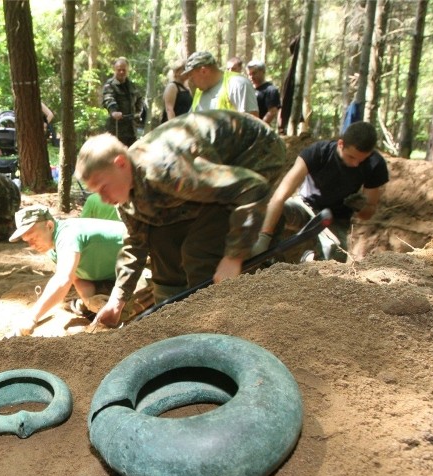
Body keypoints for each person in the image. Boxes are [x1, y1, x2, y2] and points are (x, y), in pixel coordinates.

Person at [75, 110, 286, 327]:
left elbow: (251, 187)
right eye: (96, 192)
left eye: (103, 188)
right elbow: (136, 243)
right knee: (161, 240)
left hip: (254, 153)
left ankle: (214, 325)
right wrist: (117, 299)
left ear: (120, 163)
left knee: (199, 251)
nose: (103, 198)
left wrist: (234, 257)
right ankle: (173, 320)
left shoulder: (165, 171)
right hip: (205, 179)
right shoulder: (125, 195)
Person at [254, 121, 389, 262]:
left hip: (335, 219)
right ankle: (267, 260)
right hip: (304, 206)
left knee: (335, 255)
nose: (356, 164)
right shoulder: (318, 152)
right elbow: (279, 196)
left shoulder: (375, 164)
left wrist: (361, 207)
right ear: (341, 144)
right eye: (351, 157)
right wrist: (263, 239)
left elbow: (367, 213)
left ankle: (310, 262)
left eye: (362, 160)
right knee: (273, 213)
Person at [6, 206, 152, 336]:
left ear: (49, 226)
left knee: (120, 312)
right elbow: (78, 276)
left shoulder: (68, 234)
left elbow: (64, 279)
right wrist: (89, 300)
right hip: (116, 275)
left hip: (145, 264)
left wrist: (32, 317)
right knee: (95, 306)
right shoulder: (52, 246)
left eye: (34, 238)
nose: (32, 245)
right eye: (27, 241)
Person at [184, 51, 259, 117]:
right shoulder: (199, 91)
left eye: (192, 77)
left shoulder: (237, 84)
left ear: (203, 71)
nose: (191, 82)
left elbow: (252, 124)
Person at [101, 57, 145, 146]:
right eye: (119, 70)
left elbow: (139, 99)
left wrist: (138, 112)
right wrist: (114, 112)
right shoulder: (110, 85)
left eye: (124, 70)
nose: (121, 72)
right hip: (116, 129)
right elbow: (108, 99)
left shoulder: (132, 86)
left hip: (131, 129)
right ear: (115, 70)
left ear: (127, 70)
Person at [246, 60, 281, 127]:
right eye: (249, 74)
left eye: (254, 73)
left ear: (263, 72)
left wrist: (260, 126)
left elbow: (272, 112)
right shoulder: (248, 89)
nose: (251, 77)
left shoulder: (271, 90)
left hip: (259, 128)